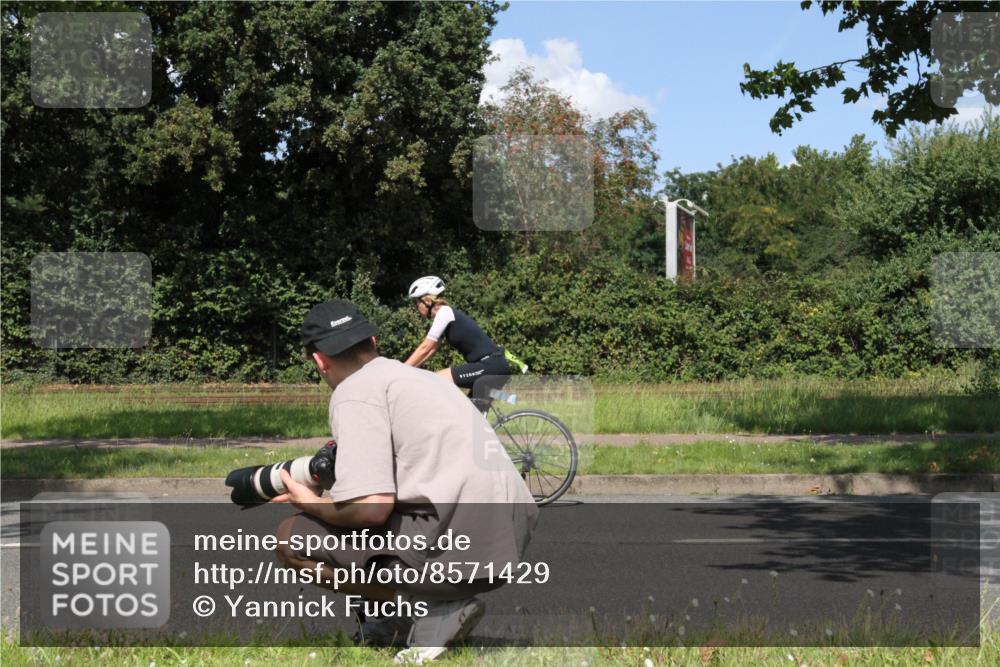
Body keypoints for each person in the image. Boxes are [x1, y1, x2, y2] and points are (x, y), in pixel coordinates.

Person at [273, 299, 539, 664]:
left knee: (291, 537)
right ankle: (395, 624)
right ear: (374, 340)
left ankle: (424, 611)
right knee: (356, 523)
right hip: (508, 539)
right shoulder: (423, 379)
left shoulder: (354, 391)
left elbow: (371, 509)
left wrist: (310, 503)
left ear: (320, 360)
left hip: (462, 551)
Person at [404, 276, 527, 396]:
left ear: (427, 301)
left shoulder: (444, 312)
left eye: (417, 303)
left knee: (437, 380)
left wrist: (401, 369)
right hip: (492, 365)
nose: (416, 307)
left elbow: (426, 347)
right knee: (471, 412)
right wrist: (411, 369)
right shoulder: (445, 315)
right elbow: (431, 350)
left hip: (490, 365)